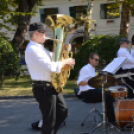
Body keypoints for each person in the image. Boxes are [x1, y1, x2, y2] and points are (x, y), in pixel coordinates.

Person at [25, 22, 75, 134]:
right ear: (37, 34)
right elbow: (51, 66)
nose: (46, 35)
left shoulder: (40, 48)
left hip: (51, 86)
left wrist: (64, 51)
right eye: (44, 32)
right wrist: (65, 62)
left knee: (63, 112)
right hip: (43, 88)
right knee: (49, 120)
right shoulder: (32, 49)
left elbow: (54, 58)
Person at [77, 53, 115, 124]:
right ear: (90, 59)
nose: (97, 61)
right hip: (87, 93)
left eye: (98, 60)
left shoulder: (92, 69)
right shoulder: (85, 69)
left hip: (92, 90)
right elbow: (79, 82)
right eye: (96, 59)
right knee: (108, 97)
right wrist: (92, 82)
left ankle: (110, 118)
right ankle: (112, 121)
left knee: (109, 94)